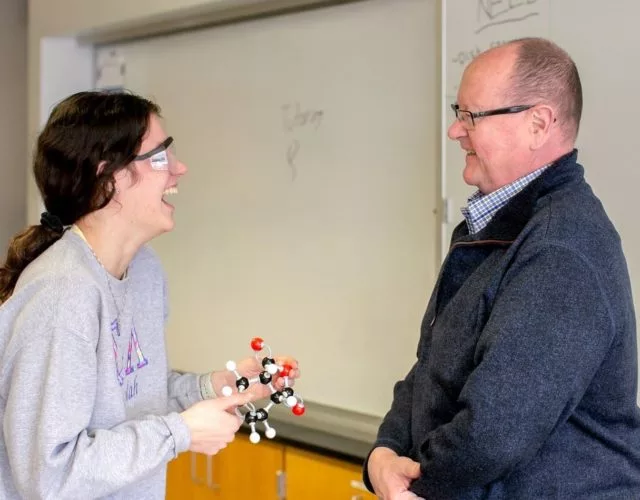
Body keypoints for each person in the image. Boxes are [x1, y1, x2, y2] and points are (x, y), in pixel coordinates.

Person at [364, 37, 640, 499]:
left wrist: (414, 480)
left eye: (472, 116)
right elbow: (430, 367)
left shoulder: (560, 248)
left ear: (538, 124)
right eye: (459, 112)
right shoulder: (496, 227)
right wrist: (385, 453)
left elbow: (494, 432)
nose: (455, 131)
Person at [0, 90, 300, 499]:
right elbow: (47, 477)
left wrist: (219, 386)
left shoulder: (144, 270)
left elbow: (134, 399)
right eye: (160, 157)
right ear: (110, 178)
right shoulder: (62, 295)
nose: (179, 169)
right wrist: (181, 432)